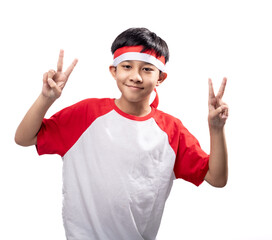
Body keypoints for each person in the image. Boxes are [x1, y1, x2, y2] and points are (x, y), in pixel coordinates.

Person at [15, 27, 228, 240]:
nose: (135, 76)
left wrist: (216, 129)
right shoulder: (86, 115)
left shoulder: (171, 131)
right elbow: (24, 138)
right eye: (127, 66)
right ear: (113, 71)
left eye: (147, 69)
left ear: (161, 77)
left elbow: (217, 178)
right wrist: (47, 98)